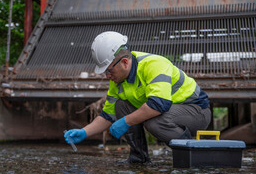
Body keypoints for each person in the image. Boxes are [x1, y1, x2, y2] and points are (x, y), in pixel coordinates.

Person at [64, 31, 211, 164]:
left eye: (108, 70)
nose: (107, 76)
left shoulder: (154, 64)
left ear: (125, 62)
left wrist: (126, 121)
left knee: (155, 122)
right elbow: (108, 115)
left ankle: (191, 156)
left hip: (197, 111)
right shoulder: (117, 80)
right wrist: (84, 132)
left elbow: (159, 104)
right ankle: (139, 158)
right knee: (120, 105)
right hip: (171, 113)